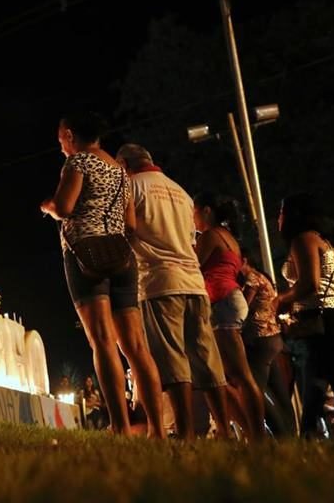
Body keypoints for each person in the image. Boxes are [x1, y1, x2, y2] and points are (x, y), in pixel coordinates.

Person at [41, 114, 164, 438]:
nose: (61, 146)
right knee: (136, 346)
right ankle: (158, 431)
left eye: (60, 139)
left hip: (86, 256)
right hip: (122, 257)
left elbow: (66, 207)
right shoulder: (120, 170)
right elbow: (132, 225)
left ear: (69, 135)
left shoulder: (78, 162)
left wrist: (48, 207)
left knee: (103, 341)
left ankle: (120, 427)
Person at [115, 143, 231, 440]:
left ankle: (186, 432)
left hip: (159, 282)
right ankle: (226, 428)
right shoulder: (181, 192)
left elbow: (125, 230)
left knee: (173, 360)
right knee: (207, 360)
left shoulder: (129, 186)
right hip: (194, 282)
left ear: (124, 164)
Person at [273, 192, 334, 438]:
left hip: (322, 318)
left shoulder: (303, 240)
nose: (278, 219)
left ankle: (308, 434)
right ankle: (307, 434)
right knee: (321, 379)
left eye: (281, 212)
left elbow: (309, 284)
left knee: (325, 379)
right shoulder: (324, 241)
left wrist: (281, 300)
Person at [193, 191, 266, 440]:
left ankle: (257, 436)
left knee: (240, 375)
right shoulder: (229, 238)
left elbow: (193, 265)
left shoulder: (210, 235)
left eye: (194, 211)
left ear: (206, 211)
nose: (192, 218)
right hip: (230, 301)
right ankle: (247, 433)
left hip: (223, 303)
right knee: (224, 376)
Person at [239, 248, 296, 437]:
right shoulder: (264, 278)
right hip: (274, 338)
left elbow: (242, 308)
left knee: (256, 390)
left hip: (260, 339)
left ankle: (280, 434)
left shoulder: (252, 279)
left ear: (245, 260)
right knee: (280, 393)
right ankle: (291, 434)